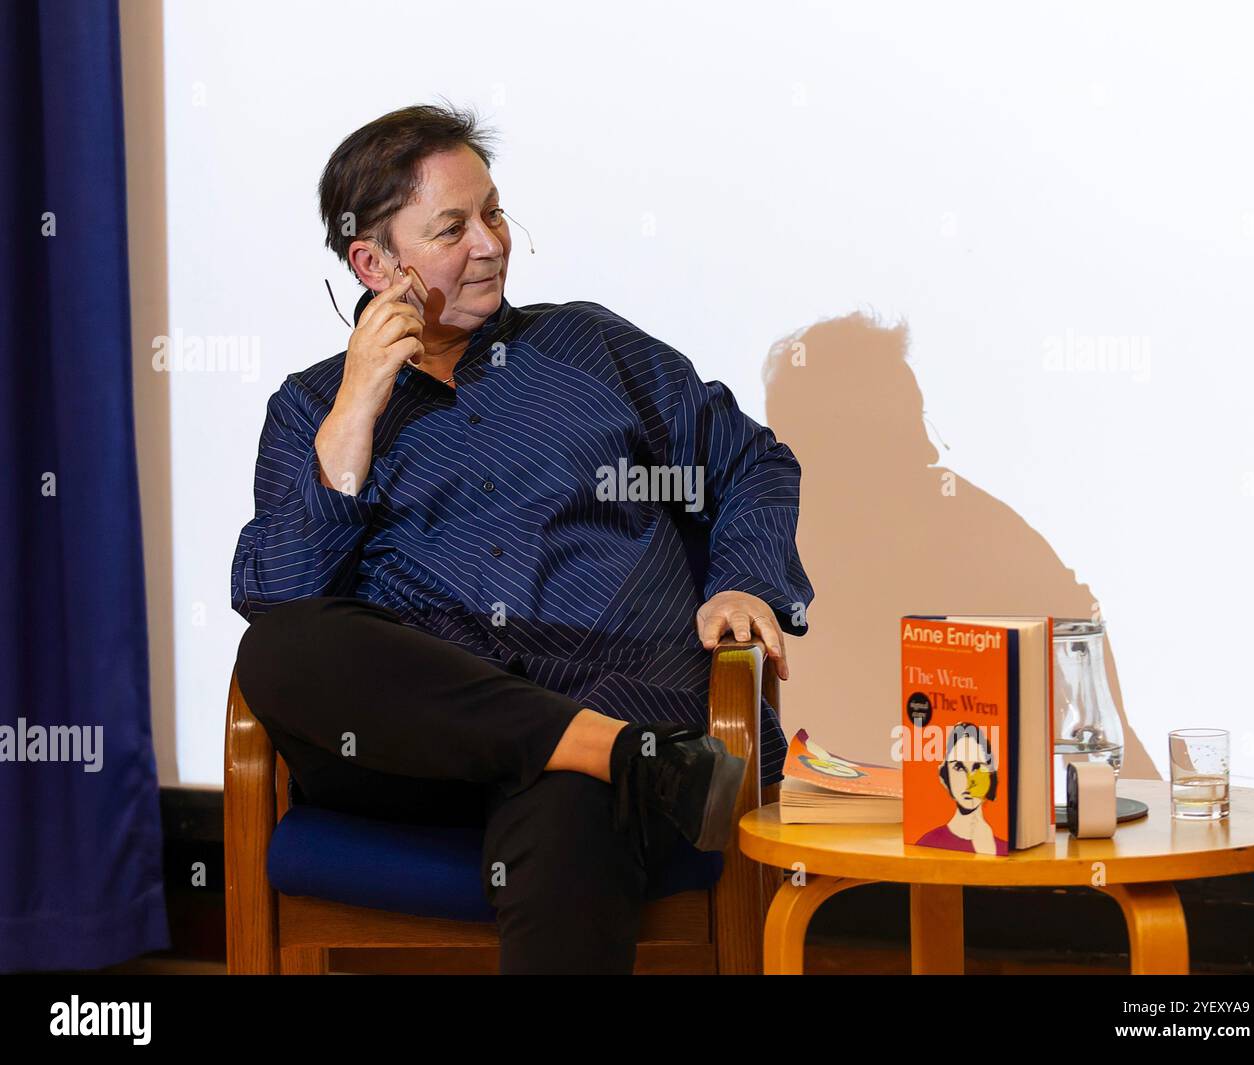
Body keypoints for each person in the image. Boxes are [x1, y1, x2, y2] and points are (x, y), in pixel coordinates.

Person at [230, 101, 815, 973]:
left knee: (575, 801)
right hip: (429, 764)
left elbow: (751, 462)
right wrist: (354, 417)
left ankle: (603, 752)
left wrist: (745, 580)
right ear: (372, 261)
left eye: (494, 213)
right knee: (277, 646)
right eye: (452, 228)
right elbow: (280, 595)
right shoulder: (312, 408)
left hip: (613, 713)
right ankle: (621, 755)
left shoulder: (586, 348)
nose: (492, 243)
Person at [916, 723, 1008, 856]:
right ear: (945, 775)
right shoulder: (926, 845)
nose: (968, 782)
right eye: (959, 767)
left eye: (977, 767)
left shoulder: (1004, 849)